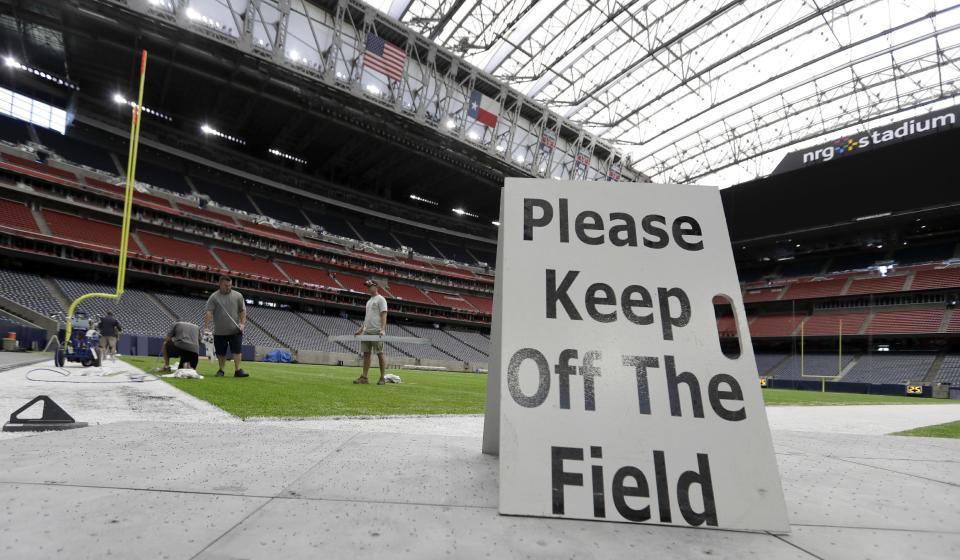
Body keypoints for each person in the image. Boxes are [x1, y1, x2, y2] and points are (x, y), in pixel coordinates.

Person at [203, 275, 249, 378]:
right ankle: (221, 370)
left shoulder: (238, 296)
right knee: (221, 353)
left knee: (237, 351)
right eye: (226, 285)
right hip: (219, 331)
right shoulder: (214, 297)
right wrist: (206, 327)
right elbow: (209, 312)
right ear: (220, 284)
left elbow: (242, 311)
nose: (228, 287)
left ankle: (238, 370)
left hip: (235, 330)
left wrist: (242, 324)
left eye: (230, 285)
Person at [353, 279, 387, 385]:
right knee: (366, 354)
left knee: (380, 354)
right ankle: (364, 377)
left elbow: (383, 314)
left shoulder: (381, 299)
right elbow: (367, 318)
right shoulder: (369, 301)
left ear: (375, 286)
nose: (367, 288)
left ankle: (382, 377)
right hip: (366, 332)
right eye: (367, 286)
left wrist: (382, 329)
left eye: (369, 286)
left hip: (376, 331)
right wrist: (360, 329)